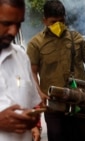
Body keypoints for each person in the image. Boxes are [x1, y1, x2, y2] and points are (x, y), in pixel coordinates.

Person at [26, 0, 85, 141]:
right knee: (58, 136)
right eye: (53, 21)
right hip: (55, 103)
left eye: (61, 20)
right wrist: (39, 92)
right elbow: (32, 71)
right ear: (45, 20)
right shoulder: (35, 44)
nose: (58, 25)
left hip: (82, 100)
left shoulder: (76, 38)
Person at [0, 0, 42, 141]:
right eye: (6, 23)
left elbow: (32, 105)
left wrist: (33, 120)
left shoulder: (21, 56)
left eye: (19, 24)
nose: (14, 31)